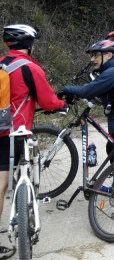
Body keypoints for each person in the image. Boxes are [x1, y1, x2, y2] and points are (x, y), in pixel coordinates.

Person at [60, 39, 114, 217]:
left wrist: (66, 89)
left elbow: (87, 90)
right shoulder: (110, 71)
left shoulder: (113, 72)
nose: (92, 59)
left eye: (95, 55)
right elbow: (101, 93)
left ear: (108, 55)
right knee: (112, 149)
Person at [0, 25, 68, 242]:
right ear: (29, 45)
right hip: (13, 133)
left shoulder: (2, 63)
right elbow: (48, 101)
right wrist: (61, 104)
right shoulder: (29, 68)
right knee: (1, 184)